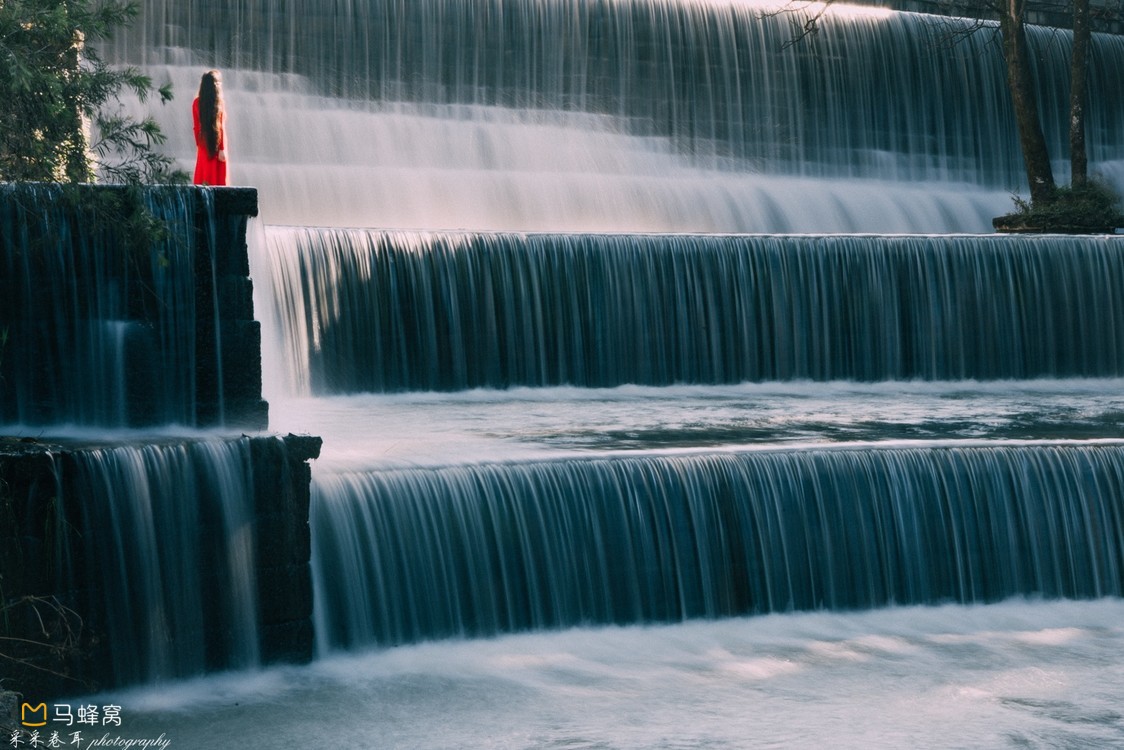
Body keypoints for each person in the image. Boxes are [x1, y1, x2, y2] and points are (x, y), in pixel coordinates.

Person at [193, 69, 228, 185]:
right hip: (217, 141)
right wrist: (222, 149)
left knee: (204, 175)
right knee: (217, 177)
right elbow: (221, 127)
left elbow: (196, 127)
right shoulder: (219, 103)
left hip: (204, 142)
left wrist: (199, 143)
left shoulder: (196, 103)